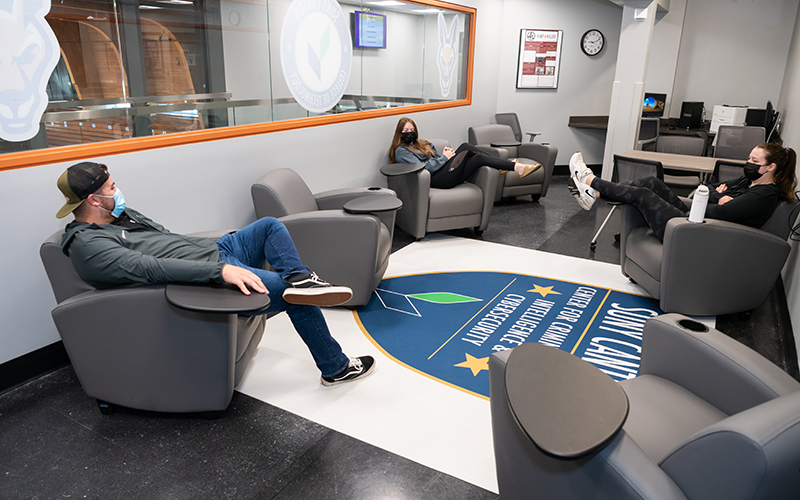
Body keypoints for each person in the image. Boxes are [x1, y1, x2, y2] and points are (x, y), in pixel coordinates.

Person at [55, 162, 375, 387]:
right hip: (211, 275)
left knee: (269, 226)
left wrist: (218, 252)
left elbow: (167, 239)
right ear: (95, 200)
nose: (119, 191)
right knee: (296, 298)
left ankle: (300, 276)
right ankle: (335, 367)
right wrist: (220, 271)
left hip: (218, 250)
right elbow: (148, 268)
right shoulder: (89, 246)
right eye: (113, 188)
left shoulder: (118, 215)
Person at [567, 143, 797, 241]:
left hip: (700, 232)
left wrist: (717, 197)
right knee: (651, 182)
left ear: (771, 167)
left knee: (645, 195)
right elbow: (706, 189)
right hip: (697, 216)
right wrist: (719, 196)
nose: (748, 163)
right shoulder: (748, 182)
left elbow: (720, 214)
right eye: (749, 158)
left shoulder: (766, 194)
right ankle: (594, 194)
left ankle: (589, 180)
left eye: (754, 160)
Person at [388, 117, 541, 189]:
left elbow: (436, 159)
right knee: (466, 146)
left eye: (412, 130)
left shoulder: (423, 143)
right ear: (400, 133)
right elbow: (424, 168)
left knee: (479, 158)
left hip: (444, 172)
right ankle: (510, 166)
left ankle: (515, 168)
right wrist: (445, 158)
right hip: (436, 180)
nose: (410, 132)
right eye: (406, 130)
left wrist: (444, 156)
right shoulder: (401, 151)